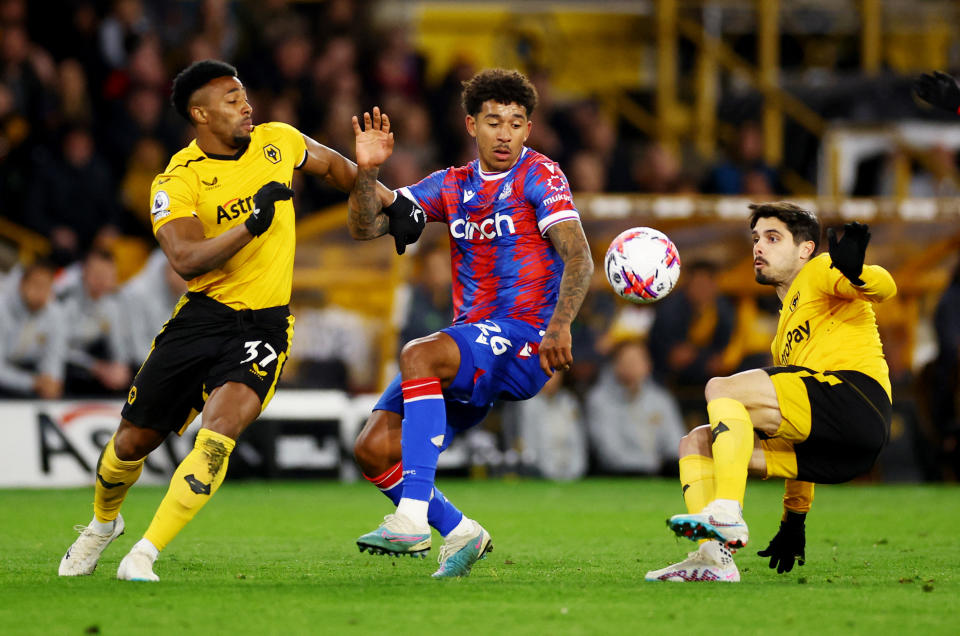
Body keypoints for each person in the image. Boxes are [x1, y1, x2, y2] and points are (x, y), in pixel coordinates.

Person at [58, 59, 399, 582]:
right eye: (232, 99)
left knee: (217, 434)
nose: (247, 106)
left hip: (264, 326)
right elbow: (187, 259)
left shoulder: (278, 141)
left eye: (245, 95)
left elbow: (336, 169)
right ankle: (103, 525)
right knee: (131, 443)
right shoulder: (177, 180)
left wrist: (392, 200)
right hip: (202, 318)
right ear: (200, 113)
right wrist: (252, 223)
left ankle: (145, 553)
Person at [347, 68, 594, 578]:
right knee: (372, 448)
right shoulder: (451, 186)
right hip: (473, 345)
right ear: (470, 125)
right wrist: (367, 171)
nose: (505, 133)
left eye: (517, 123)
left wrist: (560, 325)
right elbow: (364, 226)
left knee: (419, 352)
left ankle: (411, 518)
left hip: (526, 336)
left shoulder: (540, 176)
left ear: (529, 129)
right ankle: (461, 531)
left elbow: (580, 256)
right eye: (494, 121)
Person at [646, 202, 896, 582]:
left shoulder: (821, 270)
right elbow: (801, 428)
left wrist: (856, 269)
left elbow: (886, 288)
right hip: (841, 453)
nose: (758, 247)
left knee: (721, 387)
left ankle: (727, 511)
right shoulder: (782, 340)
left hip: (856, 399)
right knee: (696, 442)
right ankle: (714, 559)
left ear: (805, 249)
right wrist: (794, 518)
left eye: (773, 238)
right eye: (756, 238)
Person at [585, 338, 685, 475]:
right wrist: (654, 464)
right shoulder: (599, 400)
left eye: (638, 360)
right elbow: (609, 453)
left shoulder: (661, 399)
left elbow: (676, 445)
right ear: (615, 365)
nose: (633, 366)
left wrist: (667, 465)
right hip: (617, 477)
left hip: (660, 476)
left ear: (648, 365)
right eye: (627, 361)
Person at [0, 258, 67, 399]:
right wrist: (32, 382)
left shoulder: (55, 314)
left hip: (29, 374)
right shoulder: (2, 309)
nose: (41, 292)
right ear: (22, 284)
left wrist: (51, 381)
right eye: (36, 285)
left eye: (47, 286)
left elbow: (54, 357)